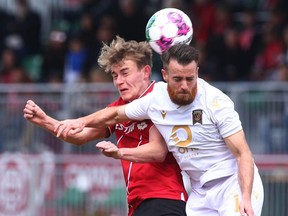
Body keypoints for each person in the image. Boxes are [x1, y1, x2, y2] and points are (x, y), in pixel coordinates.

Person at [52, 44, 264, 216]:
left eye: (190, 79)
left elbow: (242, 153)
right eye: (177, 79)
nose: (184, 85)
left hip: (232, 184)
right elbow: (115, 114)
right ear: (164, 75)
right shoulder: (155, 100)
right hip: (200, 192)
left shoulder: (216, 102)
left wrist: (245, 196)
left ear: (197, 72)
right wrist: (79, 121)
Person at [23, 36, 188, 216]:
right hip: (137, 203)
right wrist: (44, 121)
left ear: (146, 72)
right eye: (115, 75)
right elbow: (79, 137)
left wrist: (119, 153)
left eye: (125, 73)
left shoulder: (160, 96)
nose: (119, 81)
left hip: (165, 199)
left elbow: (158, 151)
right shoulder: (117, 108)